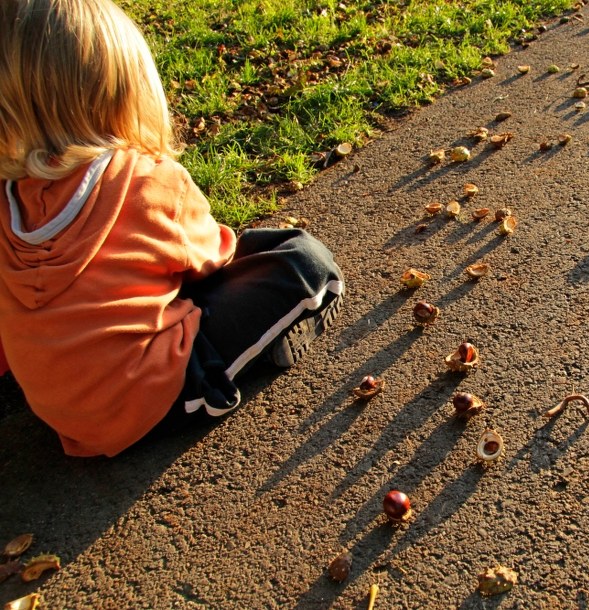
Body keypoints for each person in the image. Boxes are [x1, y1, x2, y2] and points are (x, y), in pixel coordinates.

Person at [0, 0, 344, 457]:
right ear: (119, 90)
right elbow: (212, 260)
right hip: (155, 401)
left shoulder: (10, 197)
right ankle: (248, 357)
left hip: (60, 410)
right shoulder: (143, 179)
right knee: (302, 260)